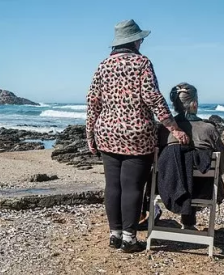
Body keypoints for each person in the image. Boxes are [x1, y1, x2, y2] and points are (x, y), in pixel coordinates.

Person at [86, 19, 189, 252]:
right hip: (137, 134)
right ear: (135, 40)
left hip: (107, 132)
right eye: (140, 38)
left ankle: (114, 235)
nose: (141, 42)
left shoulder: (103, 65)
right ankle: (129, 239)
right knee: (132, 186)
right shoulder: (142, 63)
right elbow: (153, 97)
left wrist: (90, 135)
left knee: (112, 185)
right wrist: (173, 127)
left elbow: (93, 102)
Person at [158, 82, 224, 229]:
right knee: (199, 170)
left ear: (174, 105)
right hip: (204, 189)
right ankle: (189, 223)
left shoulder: (164, 130)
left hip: (168, 186)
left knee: (179, 166)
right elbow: (222, 163)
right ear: (194, 104)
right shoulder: (209, 129)